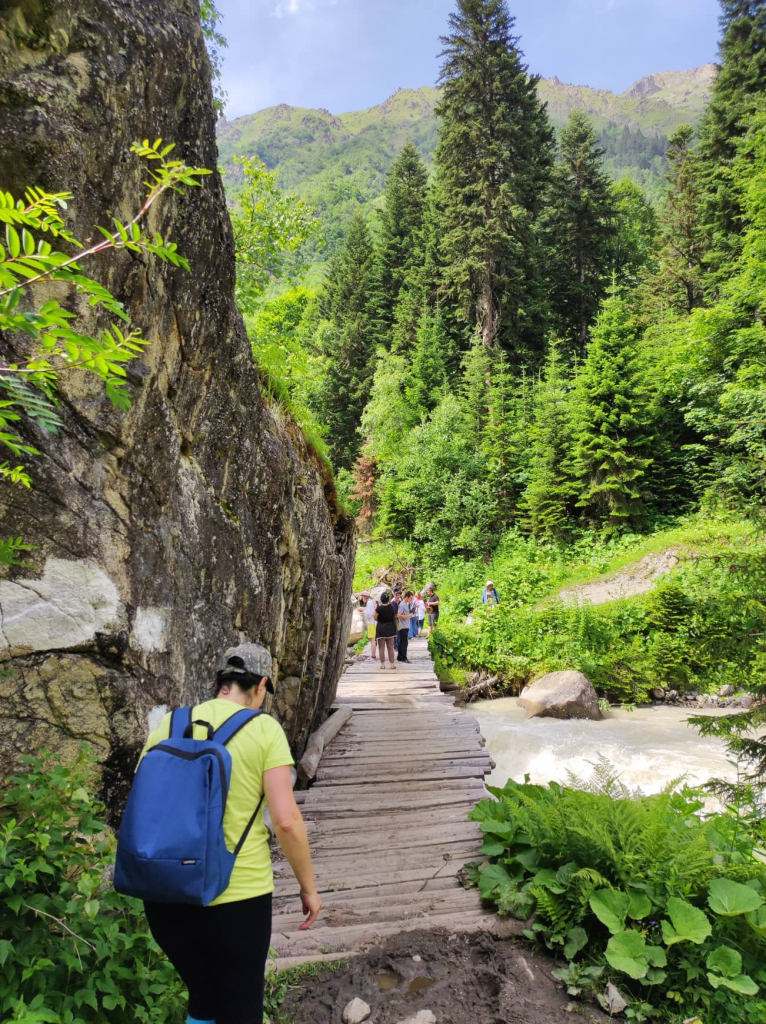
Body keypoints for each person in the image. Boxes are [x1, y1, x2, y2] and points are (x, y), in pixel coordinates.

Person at [139, 643, 321, 1024]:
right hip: (236, 899)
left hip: (166, 896)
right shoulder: (264, 729)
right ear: (261, 686)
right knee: (241, 1009)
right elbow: (286, 820)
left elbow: (143, 802)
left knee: (203, 999)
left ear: (221, 681)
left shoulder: (170, 724)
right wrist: (308, 887)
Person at [374, 591, 397, 669]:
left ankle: (383, 664)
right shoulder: (391, 607)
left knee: (381, 648)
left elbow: (375, 617)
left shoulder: (379, 608)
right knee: (390, 648)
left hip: (381, 629)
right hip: (390, 629)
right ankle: (392, 664)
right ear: (388, 599)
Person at [397, 590, 415, 663]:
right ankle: (404, 657)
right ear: (407, 597)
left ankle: (400, 656)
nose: (411, 600)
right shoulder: (402, 604)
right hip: (403, 626)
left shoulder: (405, 604)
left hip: (406, 625)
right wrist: (408, 616)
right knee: (404, 642)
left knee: (402, 641)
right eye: (410, 598)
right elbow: (399, 615)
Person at [362, 591, 377, 661]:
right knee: (372, 640)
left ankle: (373, 655)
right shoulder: (371, 602)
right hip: (373, 622)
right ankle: (373, 655)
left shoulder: (369, 603)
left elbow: (369, 613)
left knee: (372, 640)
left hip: (371, 623)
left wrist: (363, 611)